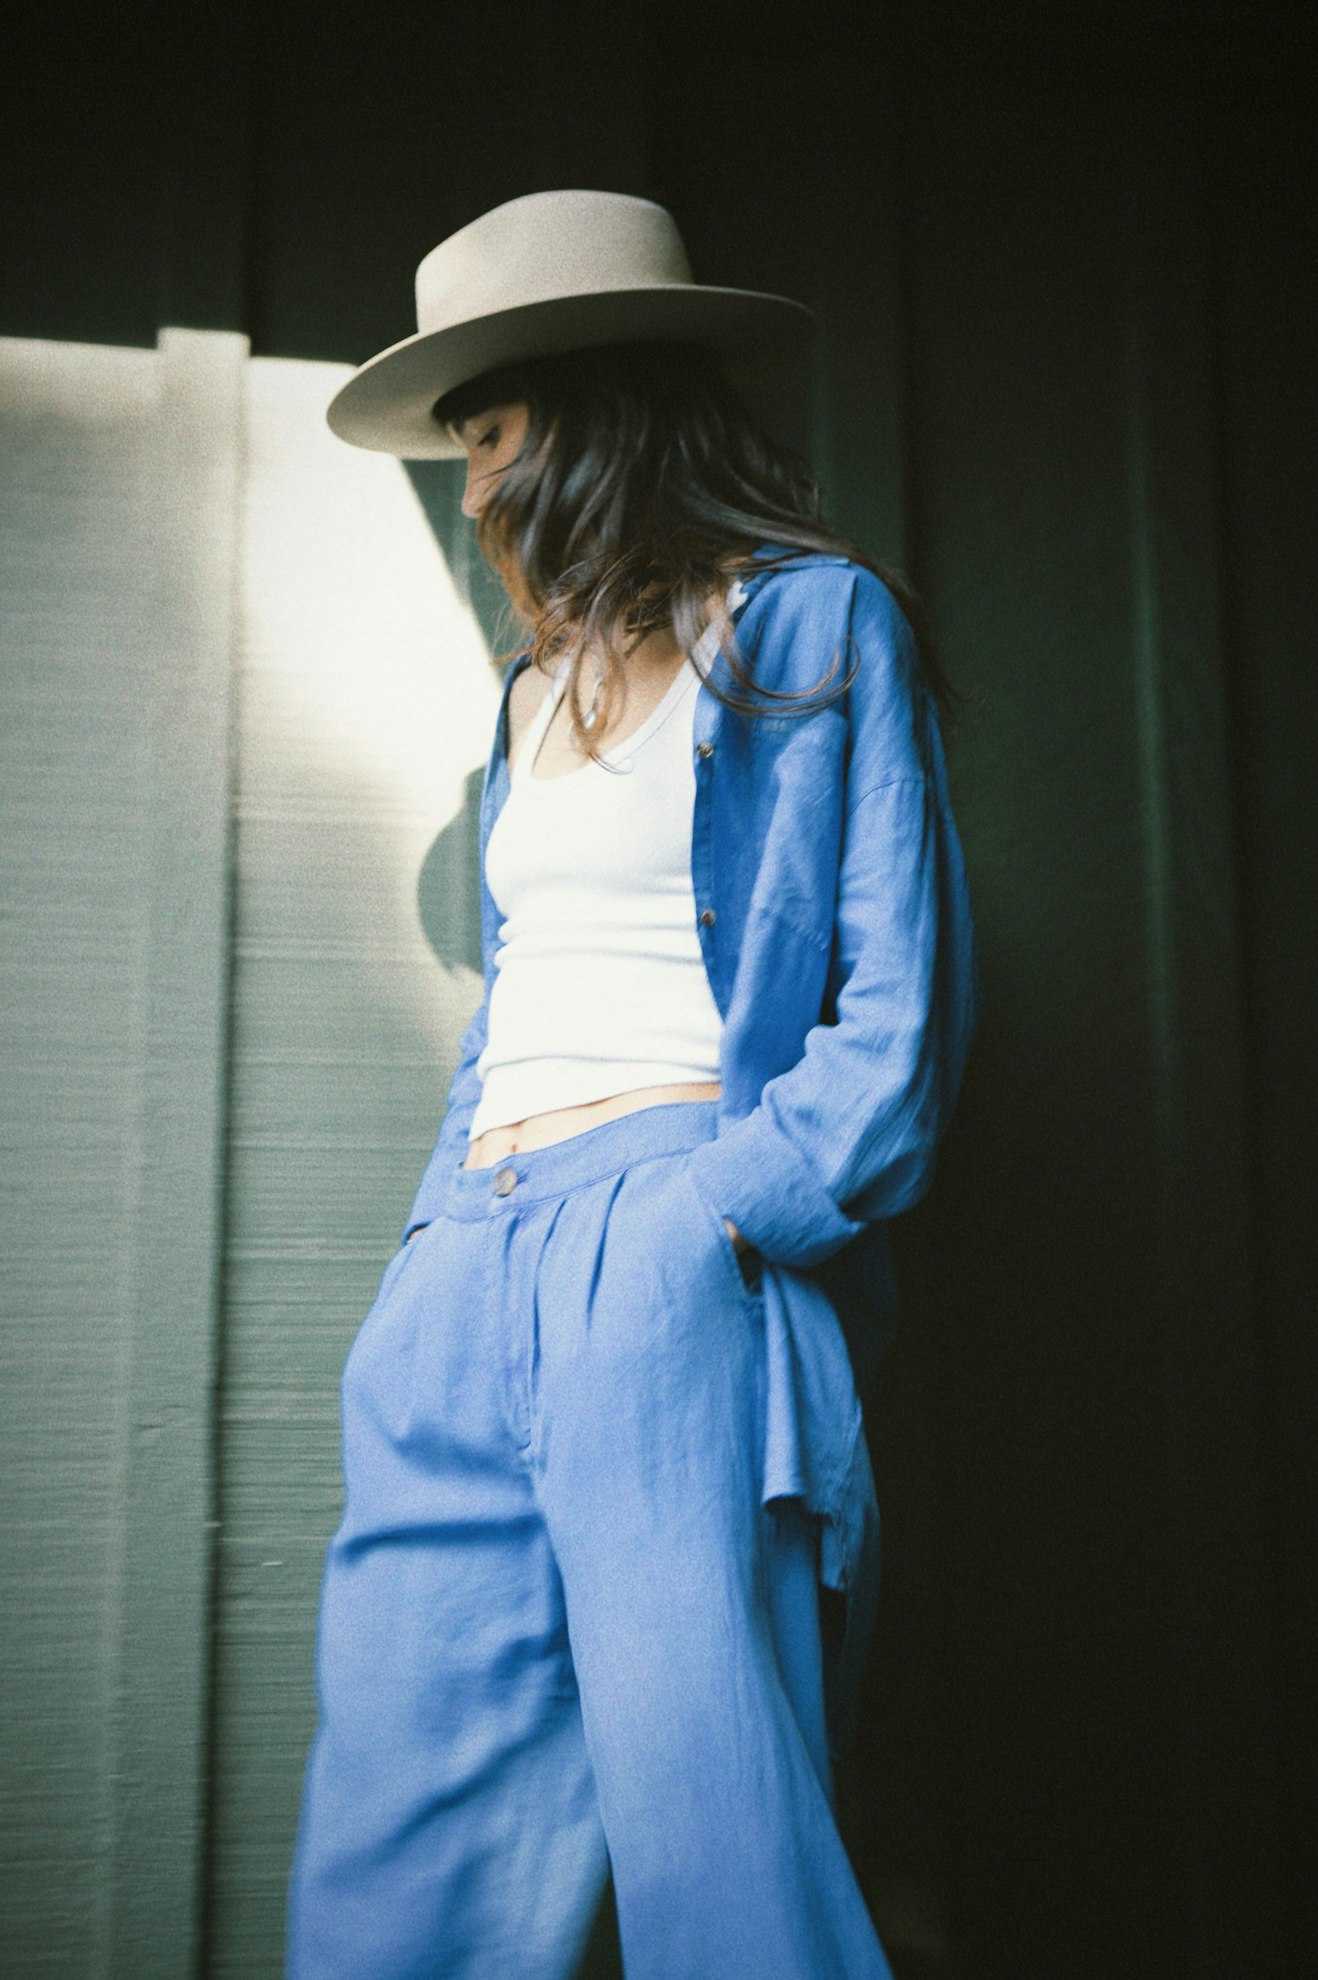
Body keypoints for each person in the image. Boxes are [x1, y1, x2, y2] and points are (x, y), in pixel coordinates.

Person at [287, 189, 980, 1980]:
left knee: (714, 1840)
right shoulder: (527, 695)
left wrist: (710, 1220)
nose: (469, 494)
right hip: (467, 1271)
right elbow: (513, 997)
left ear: (594, 408)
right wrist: (432, 1253)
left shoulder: (811, 631)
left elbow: (897, 1018)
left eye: (486, 437)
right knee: (396, 1852)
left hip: (666, 1255)